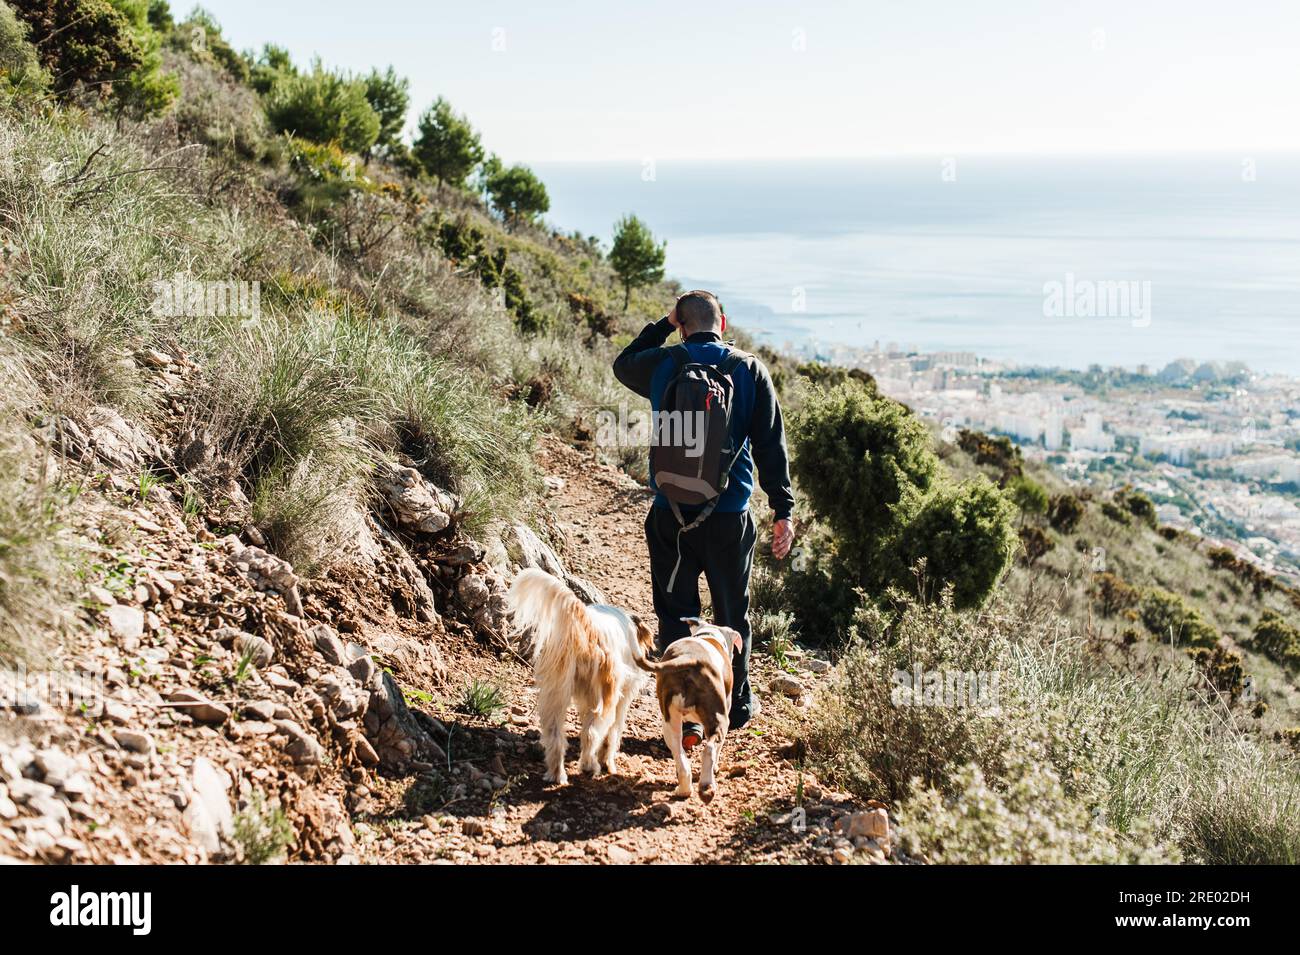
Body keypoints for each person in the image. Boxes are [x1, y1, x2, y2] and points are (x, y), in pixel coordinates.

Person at [613, 290, 795, 748]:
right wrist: (782, 509)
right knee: (733, 614)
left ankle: (684, 714)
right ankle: (735, 708)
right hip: (729, 516)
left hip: (669, 513)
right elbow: (772, 445)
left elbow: (623, 363)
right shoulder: (750, 370)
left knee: (675, 613)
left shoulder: (664, 362)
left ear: (681, 324)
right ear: (724, 323)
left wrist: (662, 325)